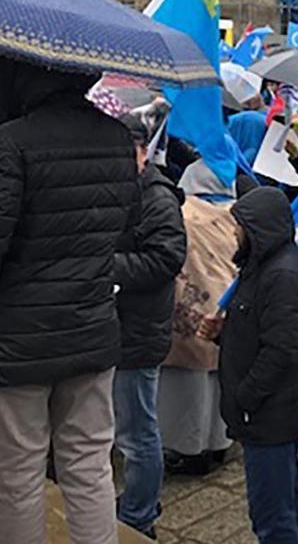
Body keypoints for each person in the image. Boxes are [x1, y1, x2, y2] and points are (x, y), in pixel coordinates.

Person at [0, 60, 140, 543]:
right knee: (89, 464)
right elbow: (124, 229)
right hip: (93, 328)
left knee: (18, 471)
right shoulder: (119, 138)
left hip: (19, 343)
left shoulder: (12, 141)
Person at [197, 187, 298, 544]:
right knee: (279, 505)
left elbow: (280, 349)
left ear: (259, 228)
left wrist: (246, 396)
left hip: (269, 414)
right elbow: (257, 330)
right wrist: (224, 333)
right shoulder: (261, 265)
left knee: (271, 515)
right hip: (267, 413)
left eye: (240, 226)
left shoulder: (281, 275)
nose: (234, 233)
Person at [112, 114, 188, 538]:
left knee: (138, 435)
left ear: (143, 152)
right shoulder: (121, 192)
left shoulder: (157, 199)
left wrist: (107, 267)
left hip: (139, 334)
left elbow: (165, 259)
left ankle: (140, 516)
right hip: (117, 328)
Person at [159, 161, 239, 476]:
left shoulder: (184, 215)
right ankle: (219, 443)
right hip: (225, 308)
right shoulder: (238, 215)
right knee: (218, 382)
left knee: (186, 390)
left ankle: (187, 450)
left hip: (189, 309)